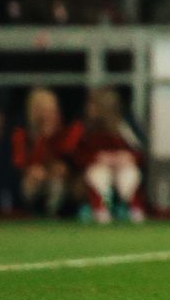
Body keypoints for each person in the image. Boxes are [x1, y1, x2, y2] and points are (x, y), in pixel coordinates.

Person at [75, 87, 144, 223]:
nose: (89, 108)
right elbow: (78, 155)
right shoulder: (86, 128)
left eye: (93, 105)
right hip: (96, 168)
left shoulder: (124, 126)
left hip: (121, 168)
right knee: (98, 176)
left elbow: (139, 152)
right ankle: (102, 210)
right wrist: (97, 158)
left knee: (129, 175)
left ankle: (133, 209)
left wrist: (127, 157)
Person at [10, 87, 83, 217]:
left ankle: (57, 215)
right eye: (42, 111)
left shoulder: (69, 130)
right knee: (31, 181)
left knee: (58, 181)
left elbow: (69, 159)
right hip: (34, 185)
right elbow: (18, 165)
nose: (47, 115)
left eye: (51, 110)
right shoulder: (21, 135)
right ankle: (33, 214)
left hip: (68, 184)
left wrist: (57, 168)